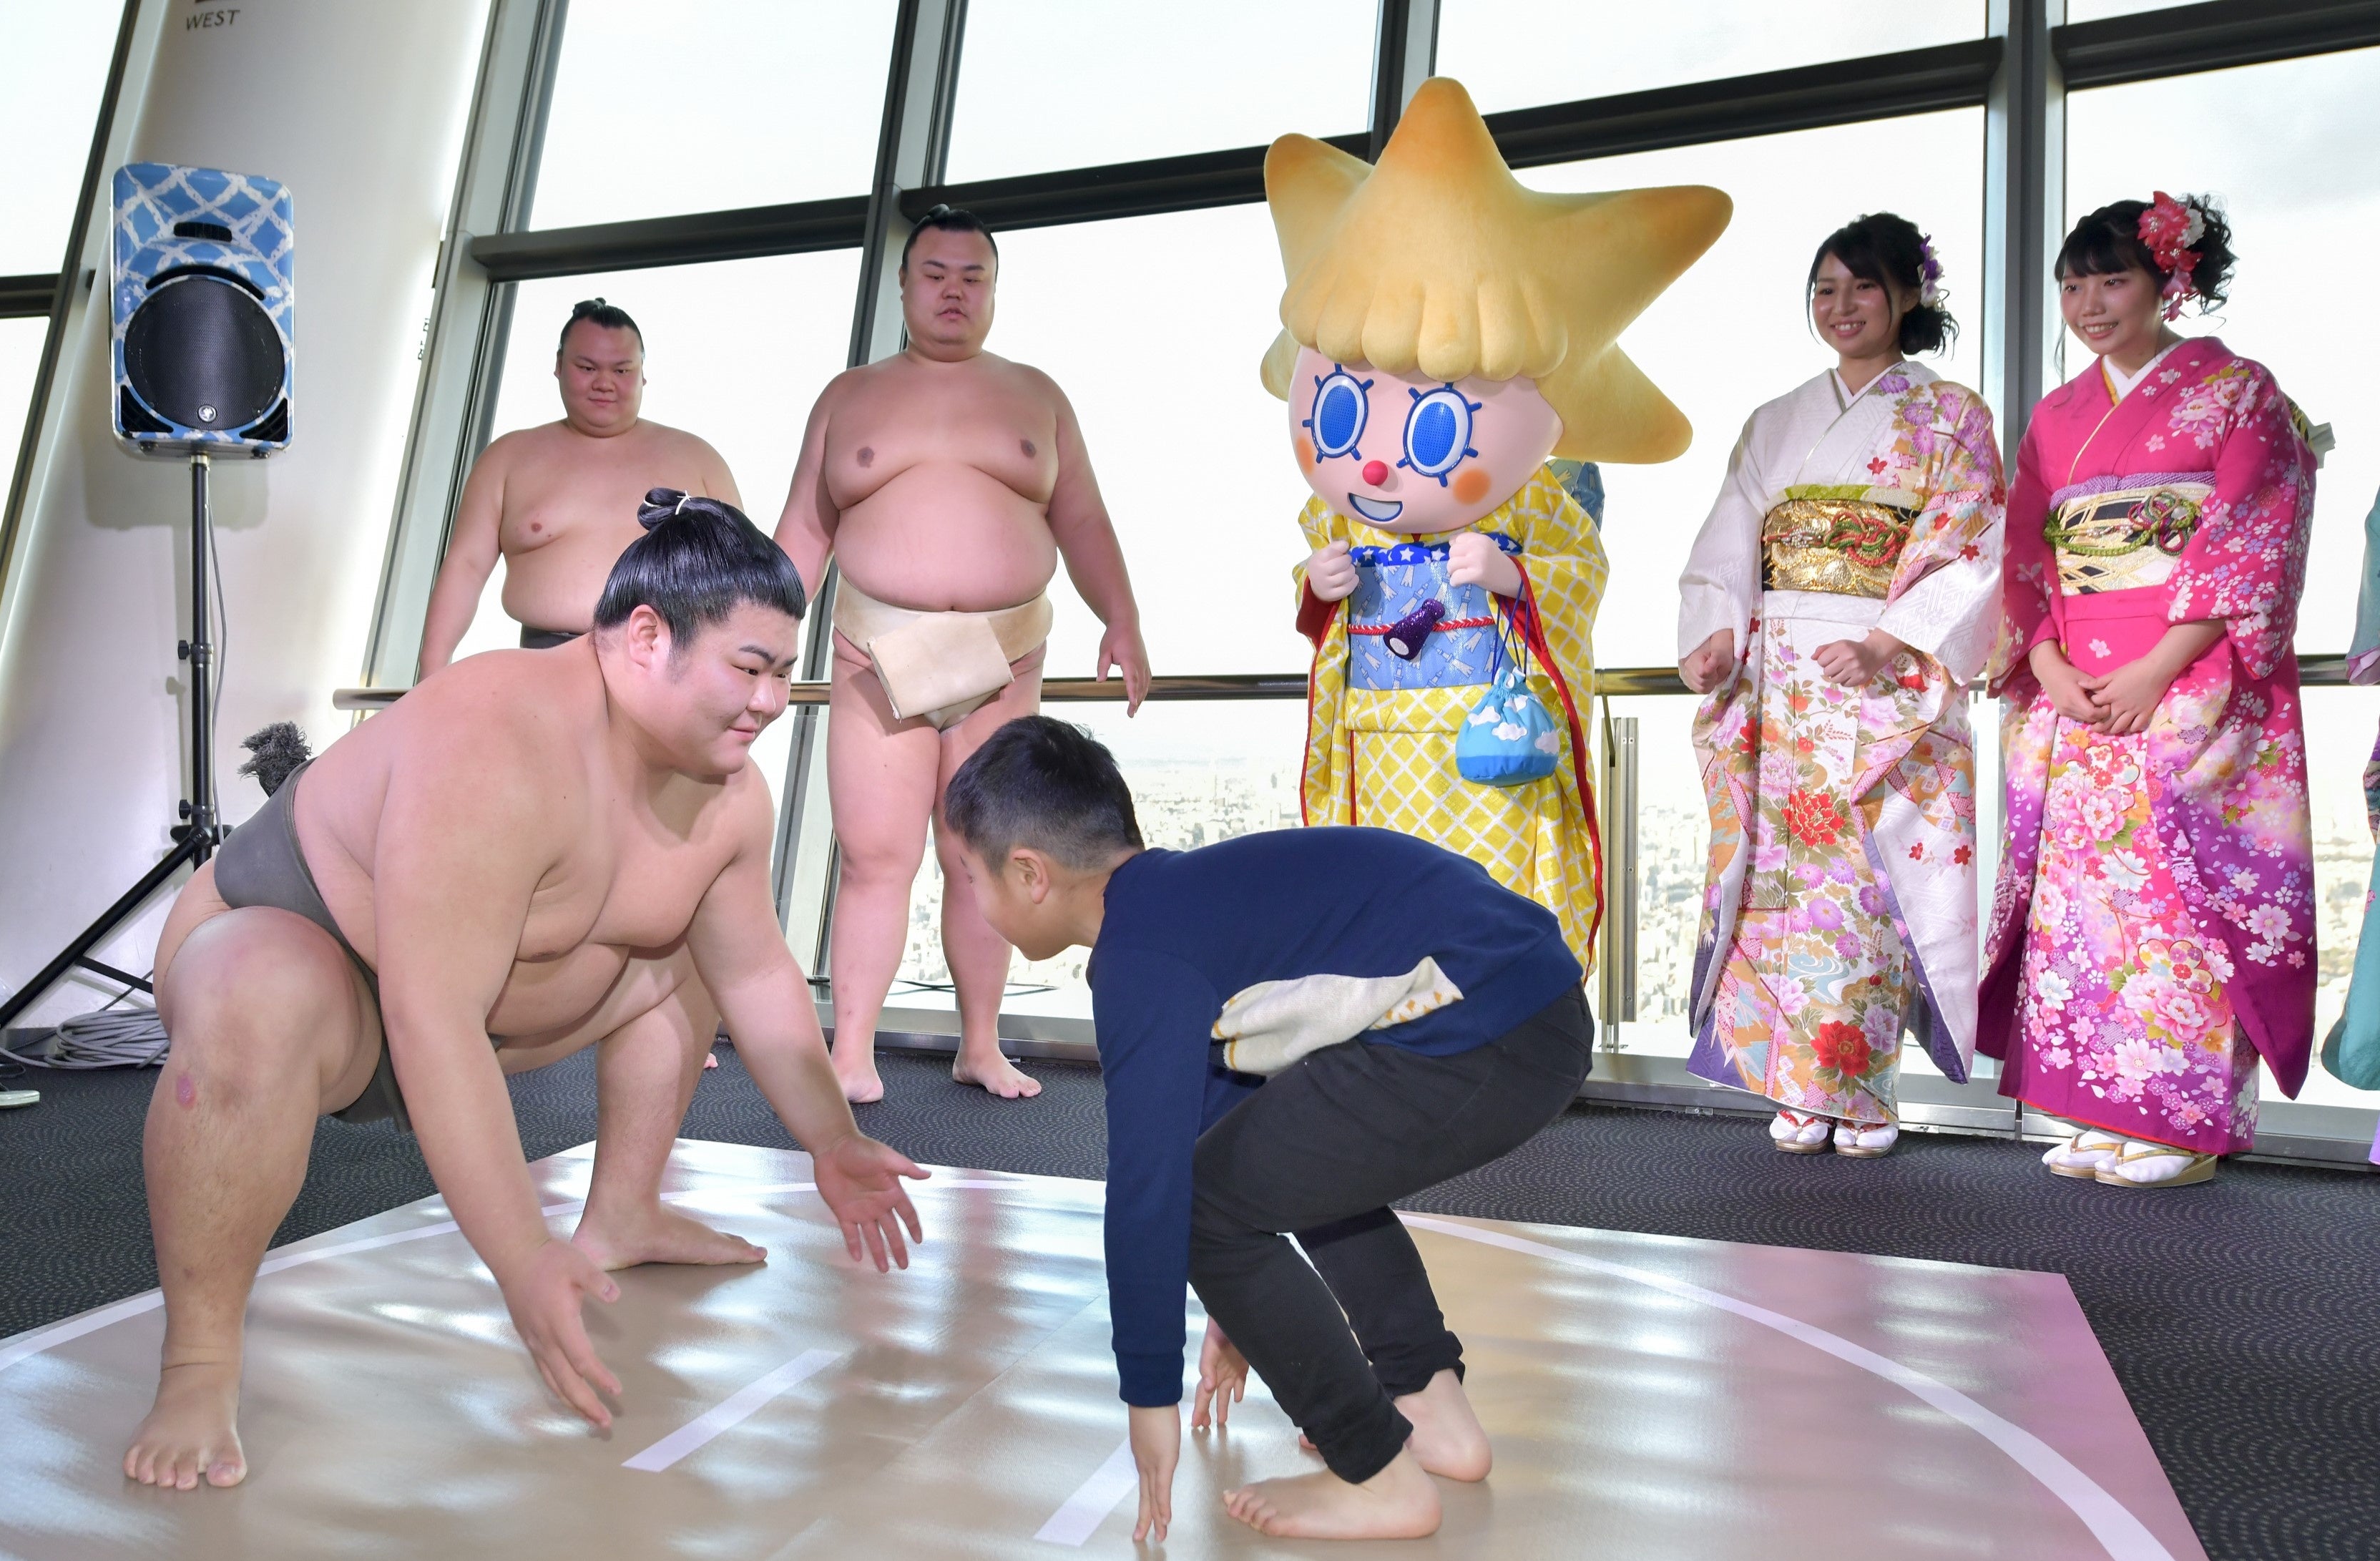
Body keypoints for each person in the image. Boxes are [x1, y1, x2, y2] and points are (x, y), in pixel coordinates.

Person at [122, 491, 929, 1492]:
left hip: (484, 1009)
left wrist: (831, 1139)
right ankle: (197, 1363)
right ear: (647, 637)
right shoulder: (493, 735)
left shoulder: (727, 792)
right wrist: (520, 1254)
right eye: (749, 668)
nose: (770, 701)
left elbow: (757, 971)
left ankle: (625, 1211)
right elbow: (432, 1016)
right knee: (260, 988)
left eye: (782, 674)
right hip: (311, 955)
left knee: (692, 940)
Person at [942, 717, 1592, 1540]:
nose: (971, 900)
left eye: (969, 876)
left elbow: (1151, 1197)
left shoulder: (1142, 960)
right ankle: (1429, 1408)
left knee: (1198, 1210)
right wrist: (1245, 1308)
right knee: (1261, 1175)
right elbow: (1235, 1142)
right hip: (1529, 1009)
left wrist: (1148, 1401)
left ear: (1029, 872)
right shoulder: (1181, 906)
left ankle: (1377, 1474)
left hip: (1482, 1029)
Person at [1265, 79, 1728, 969]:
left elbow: (1579, 575)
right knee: (1389, 901)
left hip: (1488, 731)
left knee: (1493, 897)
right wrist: (1318, 583)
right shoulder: (1334, 509)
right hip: (1379, 735)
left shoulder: (1537, 493)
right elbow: (1314, 591)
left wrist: (1516, 576)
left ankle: (1503, 1021)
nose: (1373, 464)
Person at [775, 205, 1150, 1106]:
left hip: (1002, 652)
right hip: (874, 649)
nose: (953, 290)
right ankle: (850, 1050)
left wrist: (1122, 616)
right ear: (904, 287)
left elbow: (1083, 518)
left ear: (993, 289)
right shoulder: (847, 395)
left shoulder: (1037, 394)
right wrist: (763, 637)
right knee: (874, 854)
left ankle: (979, 1042)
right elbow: (803, 528)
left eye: (971, 276)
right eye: (935, 274)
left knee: (978, 851)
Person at [1979, 194, 2318, 1188]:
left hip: (2187, 677)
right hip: (2078, 683)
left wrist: (2160, 665)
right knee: (2083, 901)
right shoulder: (2055, 417)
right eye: (2071, 285)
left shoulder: (2238, 390)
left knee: (2177, 894)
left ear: (2168, 281)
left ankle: (2180, 1120)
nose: (2088, 303)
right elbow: (2026, 552)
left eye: (2112, 279)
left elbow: (2255, 535)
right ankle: (2098, 1104)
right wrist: (2046, 663)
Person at [1675, 213, 2006, 1158]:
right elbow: (1729, 541)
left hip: (1876, 679)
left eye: (1863, 286)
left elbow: (1971, 541)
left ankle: (1857, 1087)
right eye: (1825, 288)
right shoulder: (1774, 419)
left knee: (1863, 882)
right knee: (1777, 881)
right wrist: (1716, 634)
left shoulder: (1952, 416)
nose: (1842, 305)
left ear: (1906, 295)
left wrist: (1888, 641)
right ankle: (1792, 1080)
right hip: (1779, 679)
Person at [416, 300, 743, 675]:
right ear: (558, 366)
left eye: (621, 370)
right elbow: (466, 566)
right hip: (542, 667)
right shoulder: (508, 458)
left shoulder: (698, 460)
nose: (604, 383)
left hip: (671, 668)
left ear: (642, 374)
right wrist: (432, 670)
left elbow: (744, 579)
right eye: (587, 368)